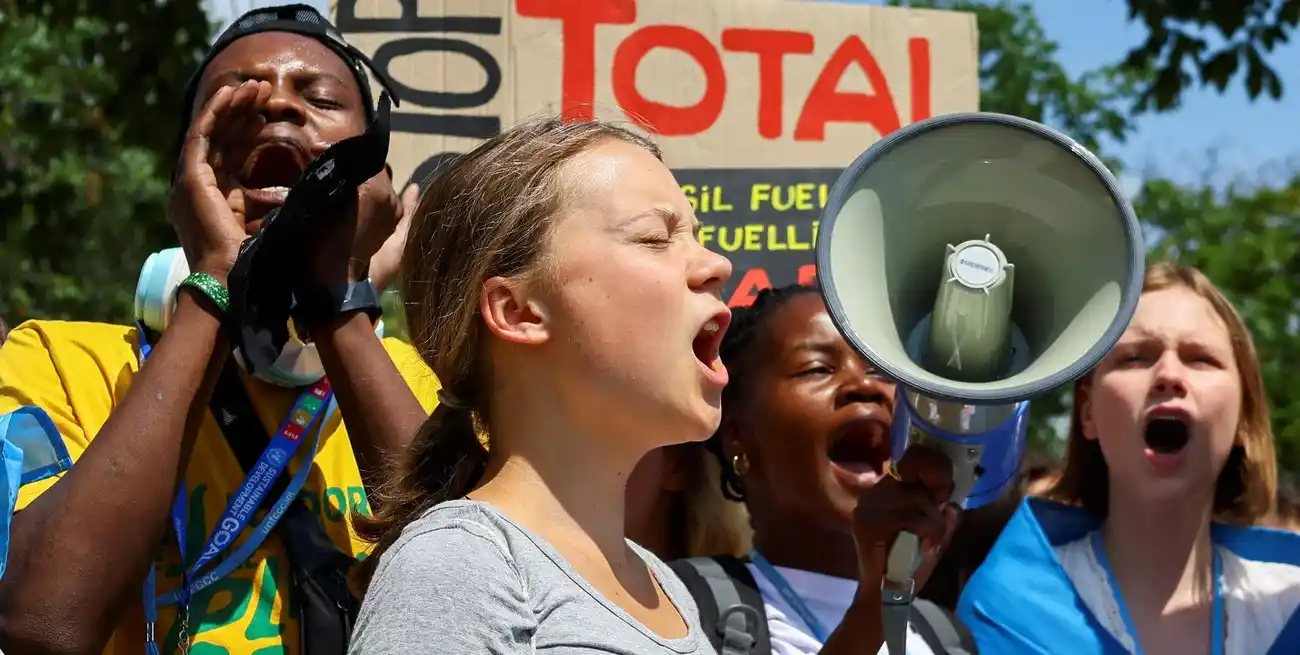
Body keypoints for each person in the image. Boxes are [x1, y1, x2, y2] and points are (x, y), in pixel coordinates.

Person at [0, 6, 435, 654]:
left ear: (380, 182)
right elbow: (44, 625)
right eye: (237, 101)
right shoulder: (61, 360)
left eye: (318, 98)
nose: (280, 109)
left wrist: (337, 299)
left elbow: (476, 591)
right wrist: (213, 281)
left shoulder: (419, 385)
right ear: (186, 179)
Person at [347, 114, 730, 653]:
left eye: (697, 238)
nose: (717, 265)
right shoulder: (459, 567)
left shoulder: (665, 587)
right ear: (517, 310)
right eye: (654, 237)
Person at [958, 262, 1300, 654]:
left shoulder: (1288, 607)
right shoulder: (1007, 605)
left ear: (1244, 419)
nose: (1169, 374)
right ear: (1088, 412)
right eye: (1136, 357)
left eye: (1201, 359)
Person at [670, 284, 973, 655]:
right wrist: (874, 610)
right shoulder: (680, 609)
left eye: (880, 371)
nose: (864, 385)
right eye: (817, 368)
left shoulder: (945, 636)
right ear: (737, 436)